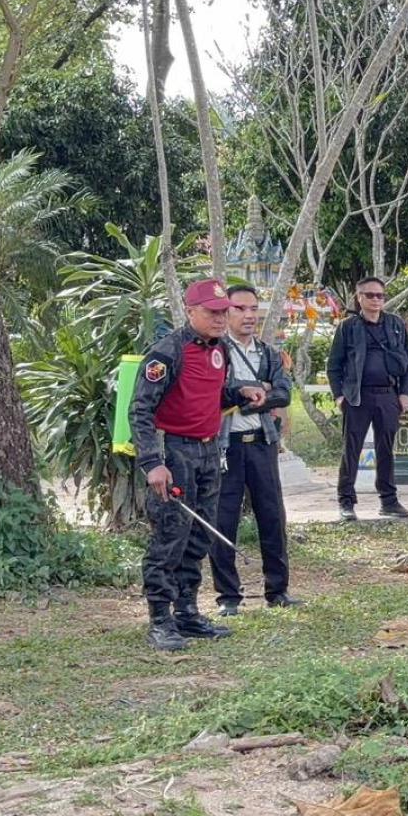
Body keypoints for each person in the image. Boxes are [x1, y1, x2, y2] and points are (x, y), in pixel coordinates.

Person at [130, 278, 268, 651]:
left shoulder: (220, 349)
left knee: (200, 535)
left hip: (209, 452)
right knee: (170, 536)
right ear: (190, 311)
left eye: (224, 311)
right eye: (212, 312)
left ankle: (187, 612)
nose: (220, 318)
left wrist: (240, 392)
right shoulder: (167, 353)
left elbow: (210, 395)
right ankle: (161, 619)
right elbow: (140, 410)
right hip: (174, 452)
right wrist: (152, 463)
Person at [210, 284, 298, 614]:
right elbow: (217, 392)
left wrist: (250, 398)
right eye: (240, 308)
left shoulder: (269, 353)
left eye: (253, 309)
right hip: (226, 446)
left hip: (262, 443)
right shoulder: (216, 352)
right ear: (226, 311)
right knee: (223, 519)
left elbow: (284, 393)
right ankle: (228, 597)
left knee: (272, 516)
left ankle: (278, 590)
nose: (248, 315)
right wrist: (258, 390)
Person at [328, 276, 408, 521]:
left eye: (380, 295)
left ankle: (389, 501)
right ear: (359, 298)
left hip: (388, 395)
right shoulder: (348, 327)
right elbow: (334, 365)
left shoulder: (395, 324)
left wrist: (406, 393)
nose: (376, 300)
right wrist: (339, 396)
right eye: (370, 295)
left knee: (386, 449)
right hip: (358, 396)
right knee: (351, 449)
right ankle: (346, 501)